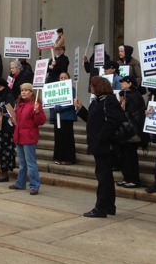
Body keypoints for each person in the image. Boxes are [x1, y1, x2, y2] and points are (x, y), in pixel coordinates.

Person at [74, 76, 125, 218]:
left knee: (103, 177)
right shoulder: (97, 101)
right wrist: (81, 108)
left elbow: (114, 121)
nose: (90, 88)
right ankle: (109, 206)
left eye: (92, 85)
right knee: (105, 177)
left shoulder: (109, 100)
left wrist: (101, 137)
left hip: (105, 145)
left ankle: (100, 208)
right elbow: (92, 119)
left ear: (99, 86)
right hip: (99, 144)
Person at [8, 83, 46, 195]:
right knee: (22, 162)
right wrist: (13, 120)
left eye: (26, 90)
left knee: (30, 163)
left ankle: (34, 185)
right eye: (22, 90)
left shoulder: (35, 104)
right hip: (19, 135)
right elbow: (18, 120)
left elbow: (41, 121)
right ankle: (20, 183)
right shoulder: (20, 104)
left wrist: (37, 112)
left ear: (31, 92)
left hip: (29, 136)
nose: (23, 92)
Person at [115, 76, 146, 188]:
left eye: (124, 82)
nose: (122, 84)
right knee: (122, 156)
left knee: (130, 157)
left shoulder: (135, 96)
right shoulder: (123, 95)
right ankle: (126, 177)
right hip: (123, 131)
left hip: (132, 131)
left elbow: (136, 113)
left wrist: (125, 107)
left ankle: (134, 179)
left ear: (130, 84)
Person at [0, 78, 17, 182]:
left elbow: (9, 111)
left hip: (6, 129)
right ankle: (1, 170)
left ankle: (5, 172)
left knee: (5, 150)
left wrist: (2, 115)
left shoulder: (9, 96)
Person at [49, 72, 77, 165]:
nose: (63, 79)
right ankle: (59, 157)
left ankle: (68, 158)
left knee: (66, 138)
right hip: (57, 117)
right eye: (61, 77)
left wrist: (58, 108)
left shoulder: (72, 89)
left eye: (65, 77)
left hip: (67, 117)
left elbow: (71, 103)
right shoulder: (55, 89)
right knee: (58, 138)